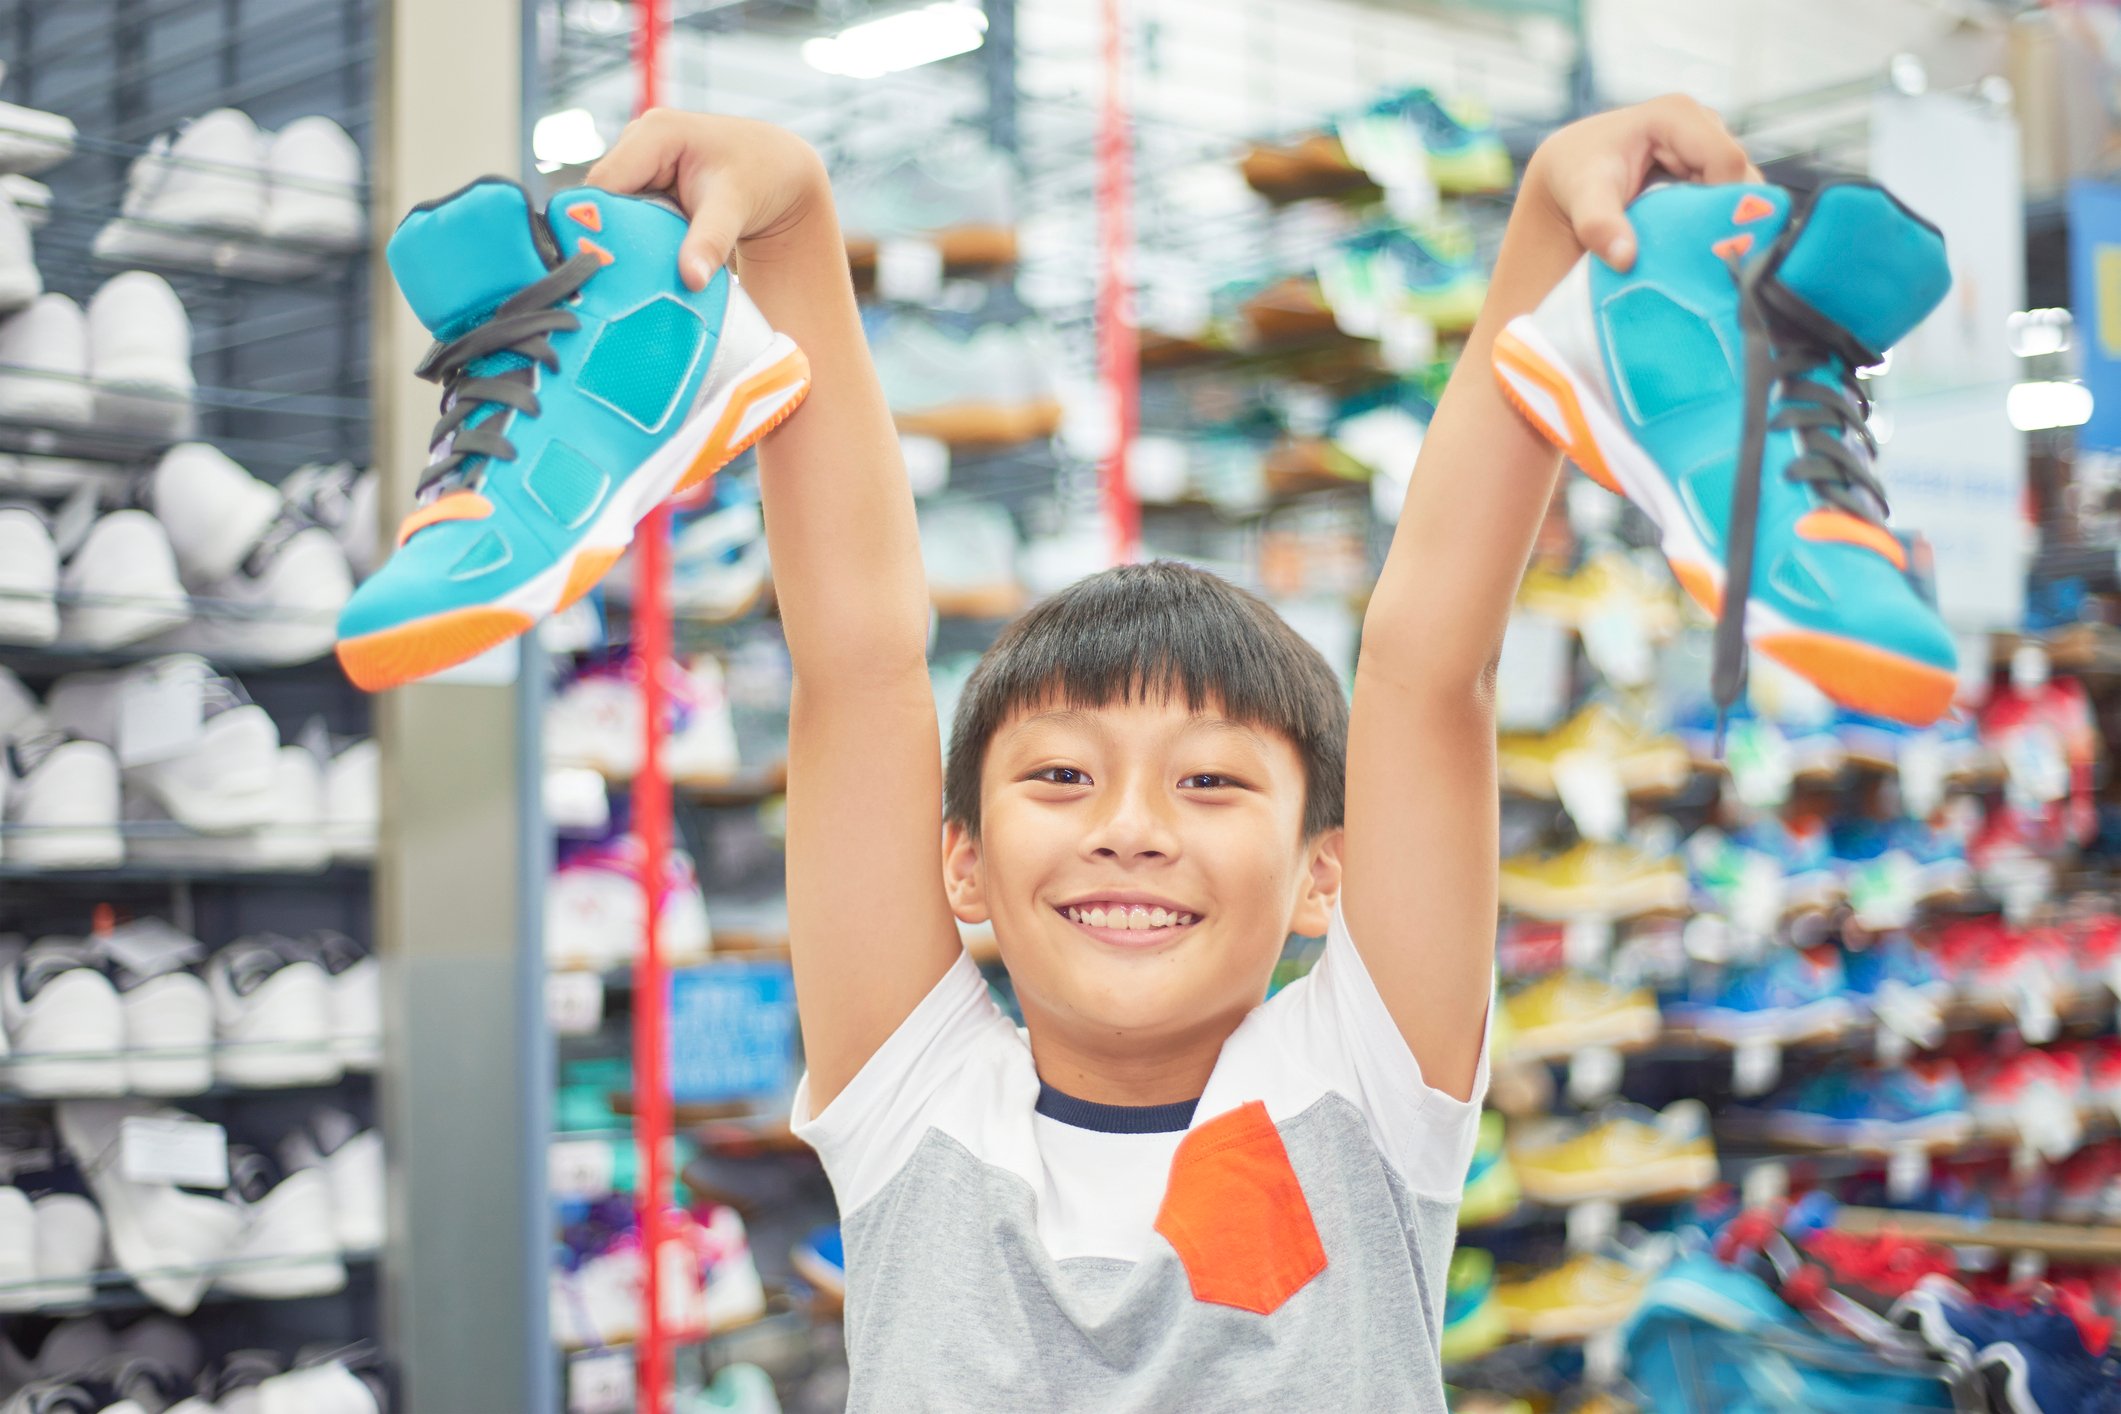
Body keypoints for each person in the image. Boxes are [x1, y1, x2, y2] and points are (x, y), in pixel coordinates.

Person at [585, 95, 1757, 1409]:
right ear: (958, 864)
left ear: (1327, 874)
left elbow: (1430, 663)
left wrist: (1550, 221)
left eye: (1207, 778)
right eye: (1060, 775)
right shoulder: (916, 1103)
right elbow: (855, 670)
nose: (1129, 824)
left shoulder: (1358, 1092)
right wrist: (793, 223)